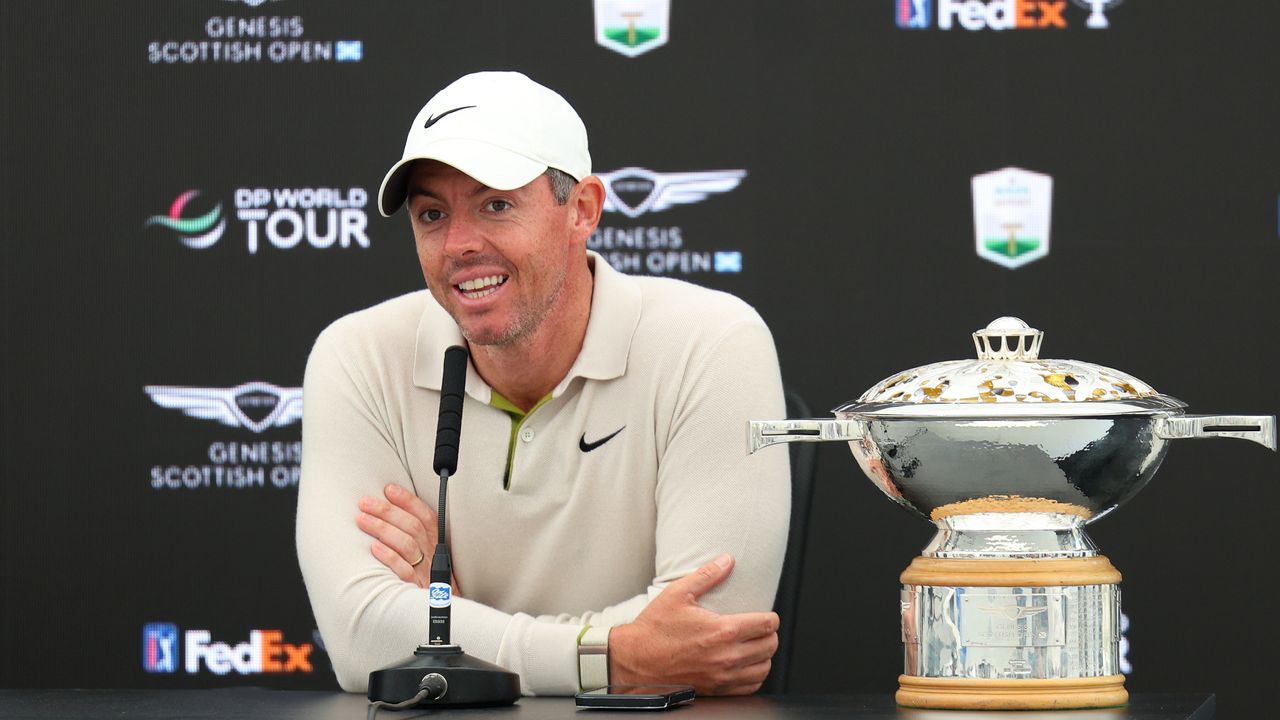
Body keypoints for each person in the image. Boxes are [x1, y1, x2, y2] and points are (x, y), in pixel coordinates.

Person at [296, 71, 790, 697]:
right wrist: (611, 658)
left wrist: (448, 629)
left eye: (495, 204)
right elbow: (360, 638)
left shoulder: (712, 342)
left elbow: (714, 636)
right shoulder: (357, 356)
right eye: (431, 213)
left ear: (582, 210)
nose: (458, 245)